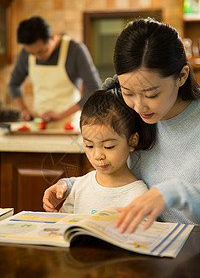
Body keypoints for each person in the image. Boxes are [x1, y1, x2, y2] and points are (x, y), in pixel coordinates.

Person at [43, 18, 200, 231]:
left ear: (181, 76)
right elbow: (110, 175)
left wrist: (175, 193)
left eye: (151, 94)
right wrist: (69, 186)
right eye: (128, 92)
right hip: (142, 247)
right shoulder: (130, 113)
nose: (139, 106)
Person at [43, 78, 156, 214]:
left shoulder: (139, 194)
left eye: (108, 146)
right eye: (89, 146)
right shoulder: (79, 187)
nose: (98, 156)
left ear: (132, 141)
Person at [8, 16, 101, 128]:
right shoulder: (25, 53)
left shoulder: (76, 50)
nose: (38, 57)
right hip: (39, 126)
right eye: (32, 53)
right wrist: (23, 109)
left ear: (52, 38)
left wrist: (61, 115)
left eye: (42, 51)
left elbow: (94, 89)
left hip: (69, 126)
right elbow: (13, 84)